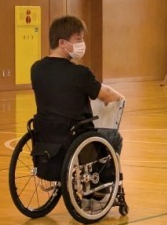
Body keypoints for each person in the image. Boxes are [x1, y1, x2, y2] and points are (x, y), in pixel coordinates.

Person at [30, 15, 125, 157]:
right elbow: (105, 94)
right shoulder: (79, 73)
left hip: (45, 138)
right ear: (62, 43)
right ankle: (104, 176)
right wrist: (120, 97)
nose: (82, 44)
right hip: (75, 139)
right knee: (114, 138)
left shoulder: (36, 69)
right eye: (78, 39)